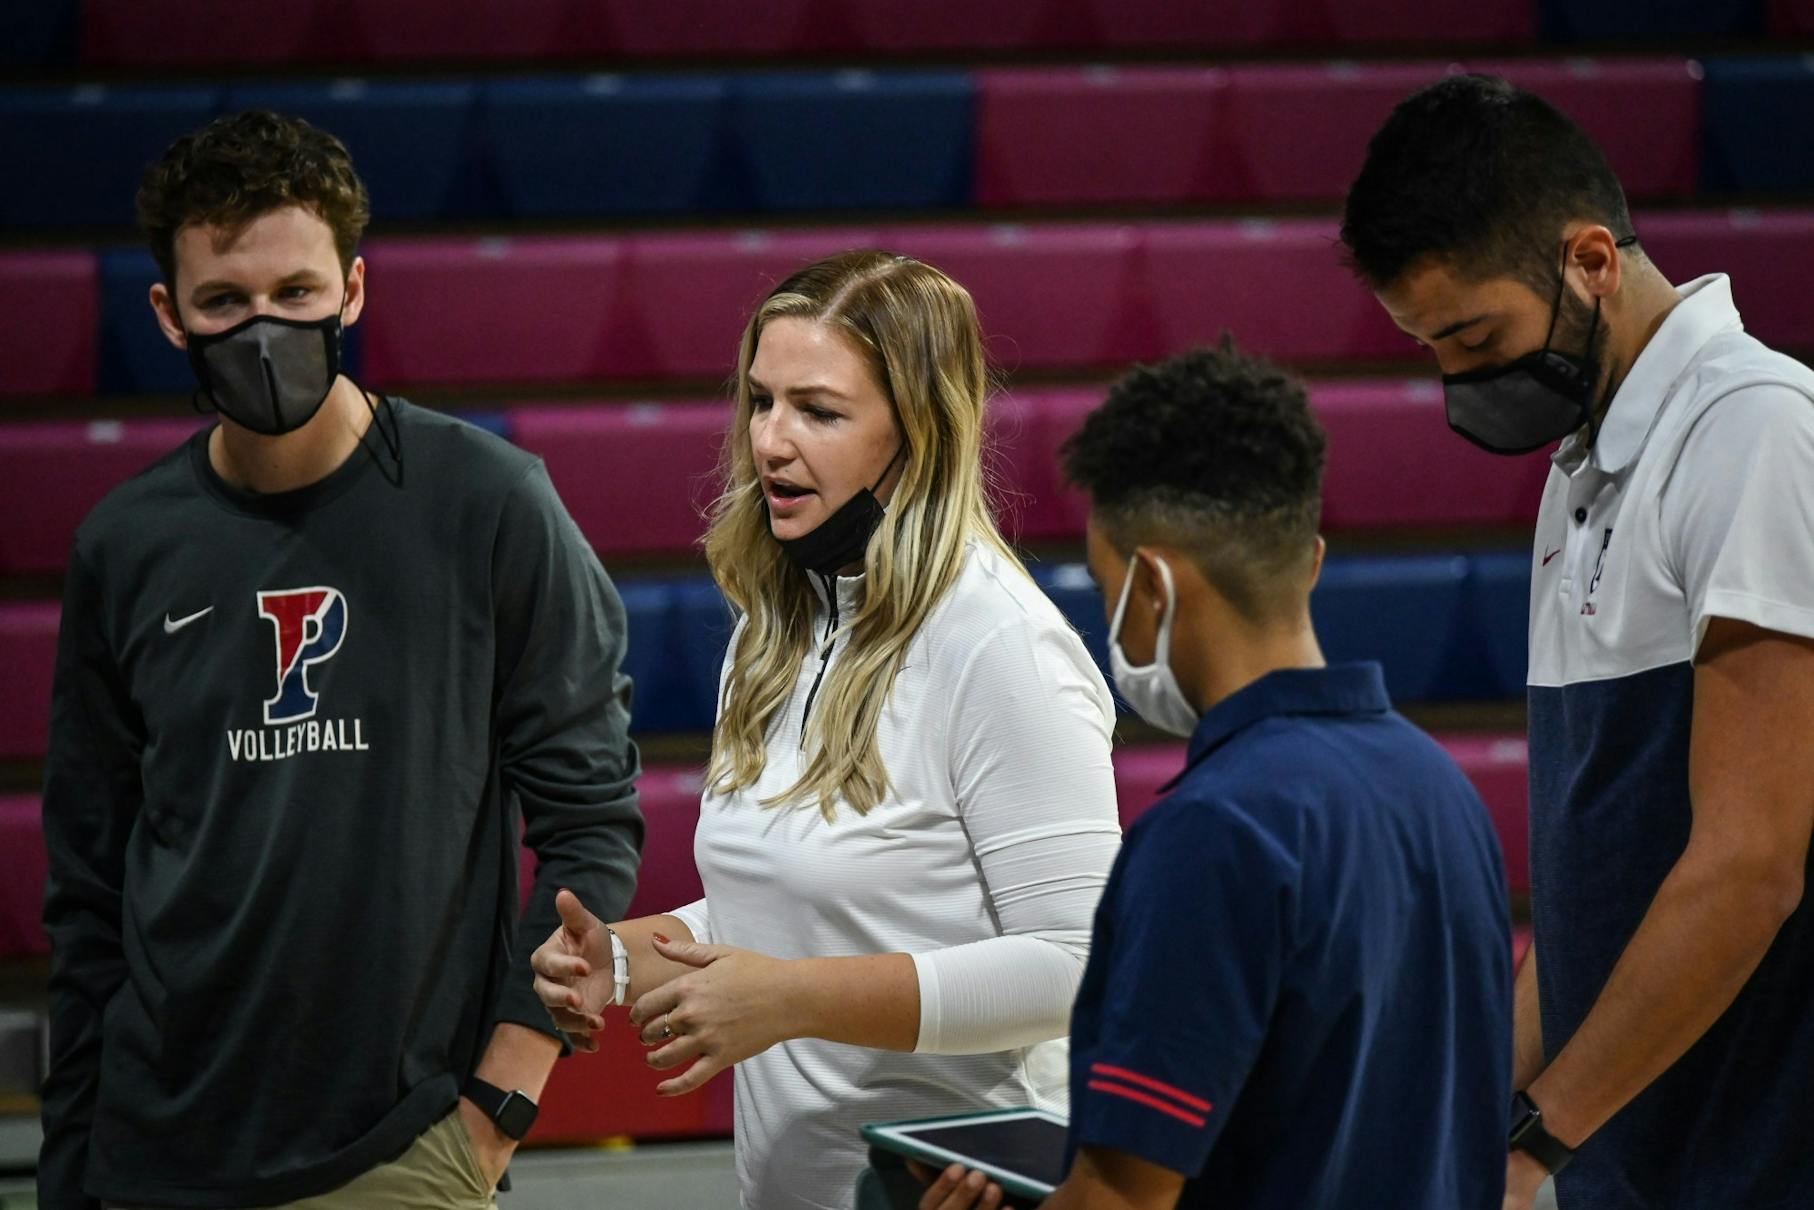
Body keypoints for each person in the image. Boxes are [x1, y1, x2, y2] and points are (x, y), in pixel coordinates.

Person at [38, 110, 643, 1209]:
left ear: (353, 291)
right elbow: (88, 883)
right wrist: (74, 1154)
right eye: (225, 303)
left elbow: (588, 822)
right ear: (170, 316)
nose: (263, 328)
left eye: (297, 295)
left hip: (396, 1146)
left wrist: (498, 1107)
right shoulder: (124, 545)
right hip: (148, 1150)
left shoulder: (488, 502)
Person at [531, 250, 1123, 1209]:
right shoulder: (778, 623)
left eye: (819, 410)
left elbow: (1081, 964)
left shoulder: (1001, 647)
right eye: (760, 402)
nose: (769, 440)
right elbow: (815, 911)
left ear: (919, 434)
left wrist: (793, 998)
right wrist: (629, 957)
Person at [1341, 74, 1814, 1210]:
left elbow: (1746, 866)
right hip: (1629, 1157)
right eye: (1425, 346)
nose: (1455, 382)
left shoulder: (1752, 430)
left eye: (1470, 335)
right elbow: (1594, 882)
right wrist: (1476, 1112)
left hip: (1757, 1159)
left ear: (1589, 261)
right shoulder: (1584, 463)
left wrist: (1533, 1142)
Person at [917, 343, 1512, 1210]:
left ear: (1152, 586)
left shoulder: (1216, 832)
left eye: (1110, 586)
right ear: (1306, 559)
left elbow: (1124, 1195)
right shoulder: (1443, 789)